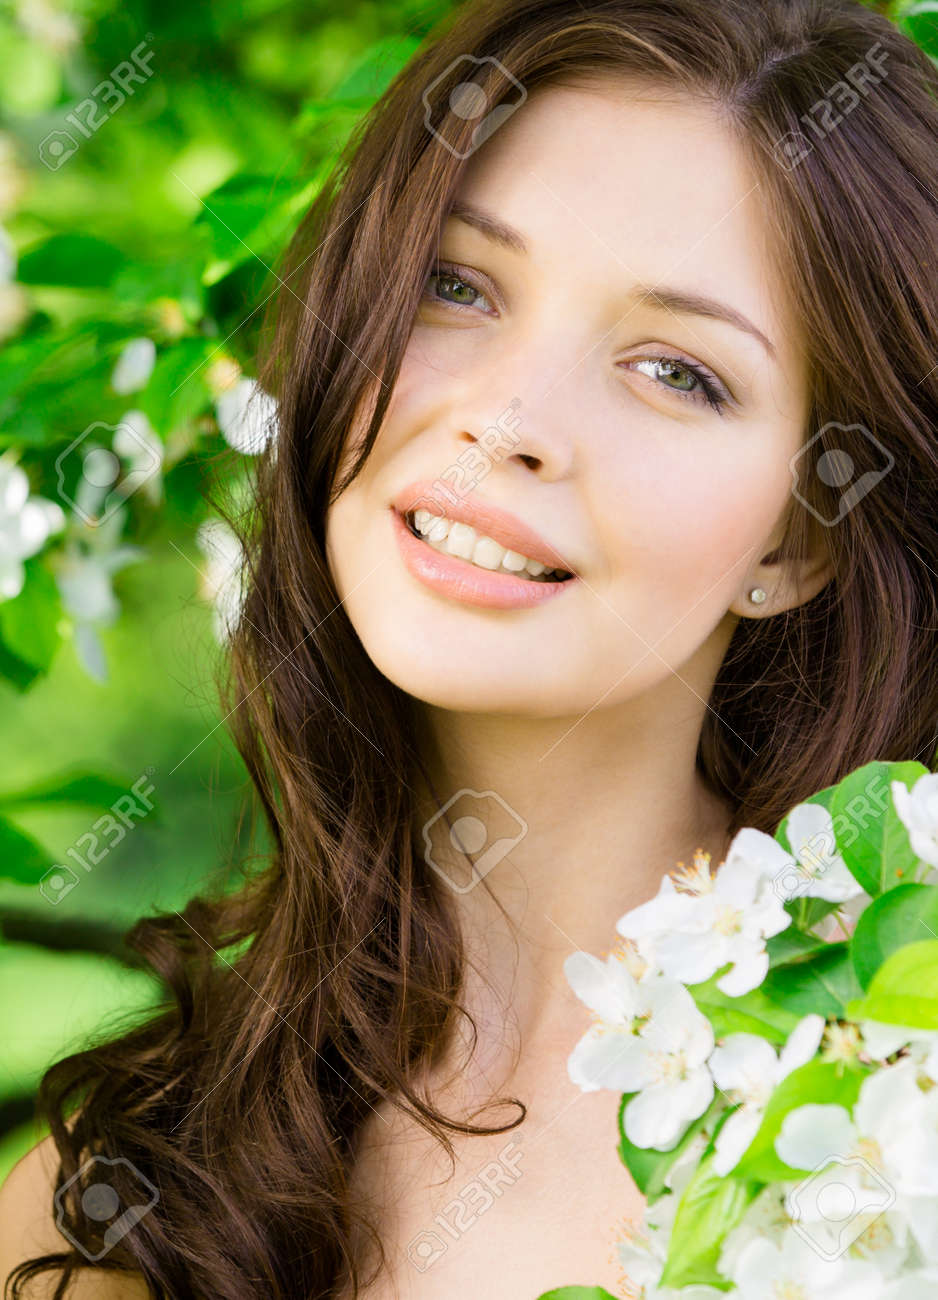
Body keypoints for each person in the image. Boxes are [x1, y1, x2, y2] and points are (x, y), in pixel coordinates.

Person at [3, 0, 937, 1295]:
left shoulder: (891, 1108)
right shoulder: (124, 1178)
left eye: (676, 370)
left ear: (800, 535)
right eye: (456, 285)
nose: (508, 421)